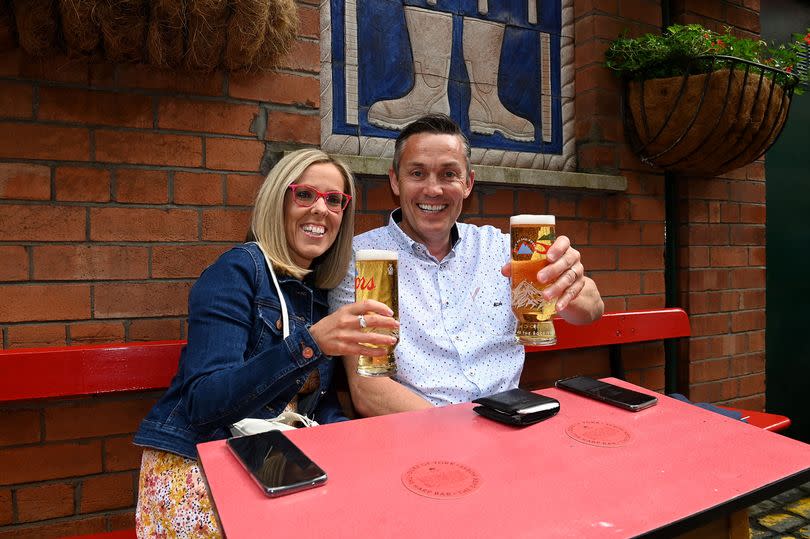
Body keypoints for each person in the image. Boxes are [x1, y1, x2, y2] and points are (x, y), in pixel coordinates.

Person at [133, 149, 398, 538]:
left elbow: (314, 402)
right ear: (279, 200)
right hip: (199, 467)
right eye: (304, 195)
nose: (321, 210)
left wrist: (354, 446)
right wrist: (309, 345)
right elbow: (204, 403)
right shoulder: (237, 271)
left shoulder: (317, 292)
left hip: (270, 466)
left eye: (334, 200)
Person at [329, 114, 603, 416]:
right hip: (420, 434)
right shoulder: (362, 259)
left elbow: (591, 311)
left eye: (449, 175)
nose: (433, 190)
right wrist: (457, 435)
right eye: (417, 173)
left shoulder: (504, 249)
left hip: (511, 422)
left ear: (468, 183)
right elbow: (369, 390)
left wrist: (567, 282)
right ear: (395, 180)